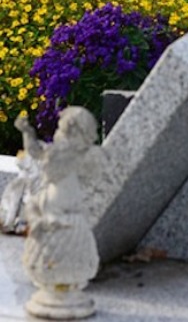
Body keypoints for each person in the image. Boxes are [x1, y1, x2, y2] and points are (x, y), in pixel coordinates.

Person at [15, 107, 99, 318]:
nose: (57, 135)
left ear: (77, 135)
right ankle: (55, 288)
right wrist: (27, 132)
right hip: (50, 210)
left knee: (65, 255)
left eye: (62, 130)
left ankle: (64, 289)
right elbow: (36, 152)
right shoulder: (58, 153)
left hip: (67, 216)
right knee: (43, 249)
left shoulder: (80, 158)